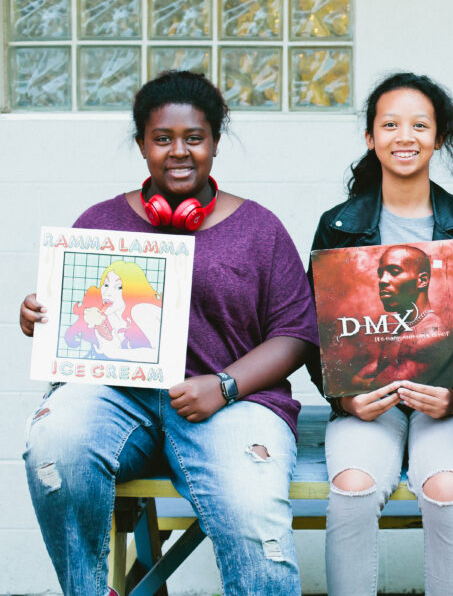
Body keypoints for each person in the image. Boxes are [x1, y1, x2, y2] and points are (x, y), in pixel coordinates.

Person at [20, 70, 319, 595]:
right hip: (120, 402)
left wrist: (223, 385)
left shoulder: (260, 228)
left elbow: (295, 332)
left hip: (230, 403)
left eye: (194, 138)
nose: (178, 152)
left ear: (215, 144)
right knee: (55, 446)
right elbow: (74, 317)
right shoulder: (100, 221)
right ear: (142, 145)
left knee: (252, 512)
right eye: (162, 139)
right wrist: (38, 315)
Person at [307, 72, 453, 596]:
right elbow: (314, 331)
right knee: (352, 487)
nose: (404, 136)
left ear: (438, 137)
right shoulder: (339, 226)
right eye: (390, 124)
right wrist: (345, 402)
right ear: (371, 137)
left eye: (419, 124)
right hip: (371, 401)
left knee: (446, 489)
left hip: (445, 402)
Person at [348, 244, 453, 388]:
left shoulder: (434, 334)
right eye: (381, 273)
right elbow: (363, 377)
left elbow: (382, 388)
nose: (382, 280)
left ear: (422, 281)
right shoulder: (402, 328)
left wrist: (360, 383)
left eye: (394, 271)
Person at [64, 260, 162, 362]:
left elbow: (162, 354)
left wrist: (115, 353)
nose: (108, 293)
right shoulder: (105, 318)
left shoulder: (141, 310)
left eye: (119, 287)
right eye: (105, 285)